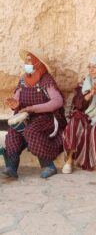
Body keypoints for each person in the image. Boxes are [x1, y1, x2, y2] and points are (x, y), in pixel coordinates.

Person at [3, 49, 67, 178]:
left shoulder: (46, 79)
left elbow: (57, 101)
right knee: (13, 131)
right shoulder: (23, 80)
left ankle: (49, 166)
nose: (26, 63)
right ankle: (12, 166)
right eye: (25, 60)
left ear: (37, 63)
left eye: (29, 60)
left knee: (31, 131)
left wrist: (33, 108)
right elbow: (17, 100)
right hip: (28, 116)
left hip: (46, 117)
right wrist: (15, 104)